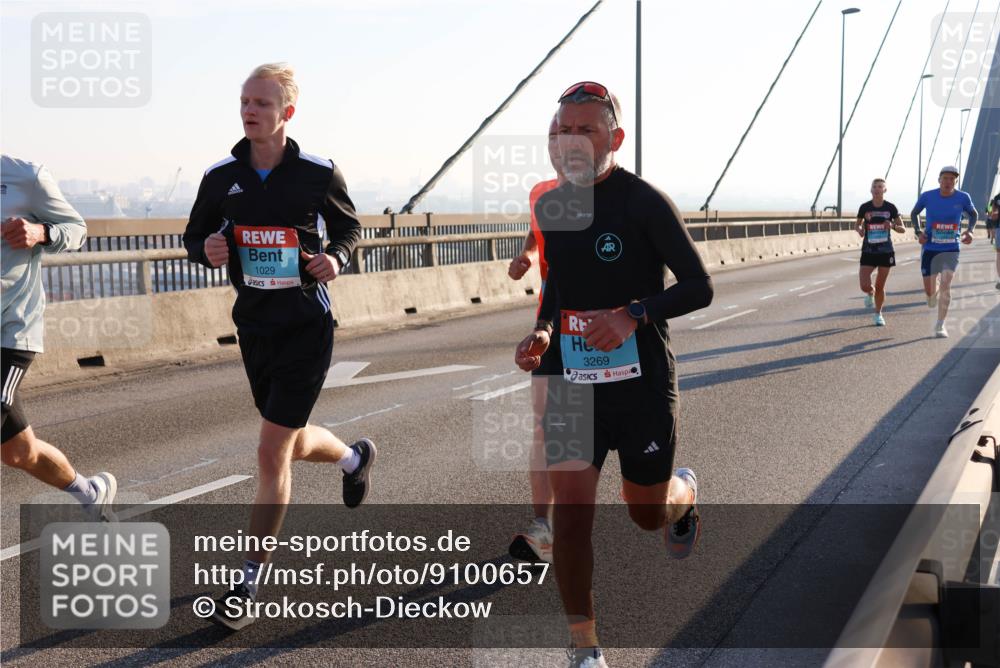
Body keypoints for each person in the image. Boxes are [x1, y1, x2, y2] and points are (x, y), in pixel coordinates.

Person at [514, 82, 713, 668]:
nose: (569, 141)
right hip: (571, 380)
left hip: (641, 383)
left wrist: (634, 314)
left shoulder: (644, 202)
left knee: (645, 515)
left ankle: (683, 493)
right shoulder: (552, 206)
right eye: (560, 130)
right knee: (572, 522)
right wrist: (546, 329)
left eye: (584, 130)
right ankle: (586, 651)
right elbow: (559, 283)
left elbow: (700, 287)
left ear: (614, 139)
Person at [183, 63, 374, 630]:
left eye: (263, 103)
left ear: (287, 113)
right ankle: (353, 457)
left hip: (306, 326)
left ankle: (248, 582)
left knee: (270, 452)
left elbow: (350, 230)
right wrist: (208, 249)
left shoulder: (318, 172)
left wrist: (335, 258)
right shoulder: (221, 177)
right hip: (254, 325)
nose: (250, 111)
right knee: (284, 441)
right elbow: (194, 235)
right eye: (245, 101)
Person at [1, 155, 117, 521]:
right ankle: (90, 492)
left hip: (12, 327)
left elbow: (76, 229)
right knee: (18, 453)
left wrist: (42, 233)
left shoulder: (25, 177)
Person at [506, 116, 564, 564]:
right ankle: (543, 527)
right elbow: (537, 228)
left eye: (574, 134)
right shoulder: (542, 194)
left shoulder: (618, 199)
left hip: (607, 332)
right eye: (554, 136)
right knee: (547, 426)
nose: (561, 144)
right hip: (551, 326)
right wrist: (527, 252)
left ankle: (672, 492)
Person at [910, 166, 977, 338]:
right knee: (930, 291)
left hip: (951, 248)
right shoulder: (927, 196)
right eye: (945, 178)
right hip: (930, 248)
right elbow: (914, 213)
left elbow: (973, 214)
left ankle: (940, 325)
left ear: (956, 181)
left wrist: (970, 231)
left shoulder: (963, 197)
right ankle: (933, 291)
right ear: (939, 180)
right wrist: (918, 232)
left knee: (947, 285)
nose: (948, 182)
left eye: (952, 179)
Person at [855, 178, 905, 326]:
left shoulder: (891, 208)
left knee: (881, 286)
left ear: (885, 190)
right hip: (869, 250)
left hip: (886, 251)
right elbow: (857, 225)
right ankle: (870, 292)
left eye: (880, 187)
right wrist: (860, 230)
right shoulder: (865, 207)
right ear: (871, 190)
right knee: (864, 285)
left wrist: (892, 226)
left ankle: (878, 314)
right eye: (874, 187)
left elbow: (902, 229)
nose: (877, 189)